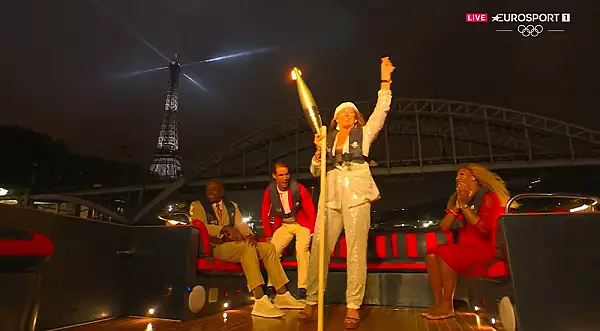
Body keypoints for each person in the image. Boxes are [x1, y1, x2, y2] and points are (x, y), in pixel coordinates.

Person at [299, 57, 395, 329]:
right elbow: (316, 171)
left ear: (356, 119)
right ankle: (312, 301)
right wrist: (318, 153)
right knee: (319, 250)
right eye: (343, 113)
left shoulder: (364, 135)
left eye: (352, 114)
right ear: (335, 118)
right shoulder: (325, 139)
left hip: (357, 198)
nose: (348, 116)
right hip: (329, 199)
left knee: (356, 252)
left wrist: (384, 82)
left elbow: (381, 111)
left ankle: (353, 307)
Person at [189, 179, 305, 318]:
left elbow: (242, 226)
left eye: (214, 189)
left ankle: (282, 295)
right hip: (216, 247)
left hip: (233, 245)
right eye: (208, 189)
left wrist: (249, 235)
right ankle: (259, 299)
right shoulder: (198, 206)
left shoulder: (232, 206)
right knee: (246, 248)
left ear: (222, 192)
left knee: (268, 248)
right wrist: (223, 229)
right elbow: (200, 226)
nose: (210, 192)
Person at [422, 164, 511, 320]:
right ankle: (439, 303)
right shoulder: (458, 199)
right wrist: (457, 207)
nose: (457, 178)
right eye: (457, 176)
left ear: (474, 177)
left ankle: (447, 304)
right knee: (431, 254)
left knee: (446, 253)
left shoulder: (488, 197)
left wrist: (465, 206)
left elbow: (483, 228)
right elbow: (444, 227)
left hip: (484, 249)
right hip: (466, 248)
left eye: (462, 174)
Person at [261, 161, 316, 300]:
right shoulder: (270, 191)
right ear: (274, 176)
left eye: (286, 174)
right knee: (273, 249)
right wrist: (268, 234)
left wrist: (314, 230)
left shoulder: (298, 188)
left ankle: (303, 287)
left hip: (301, 224)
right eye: (281, 175)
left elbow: (310, 208)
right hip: (284, 224)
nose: (285, 178)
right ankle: (272, 284)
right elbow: (265, 213)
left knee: (302, 249)